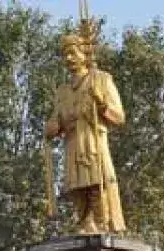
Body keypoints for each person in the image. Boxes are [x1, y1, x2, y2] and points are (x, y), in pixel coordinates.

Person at [43, 29, 127, 234]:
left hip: (93, 141)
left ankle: (101, 222)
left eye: (73, 53)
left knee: (97, 182)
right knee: (77, 187)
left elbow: (119, 117)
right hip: (73, 144)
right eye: (65, 55)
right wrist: (53, 127)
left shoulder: (101, 79)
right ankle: (84, 221)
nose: (69, 58)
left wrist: (101, 105)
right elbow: (55, 120)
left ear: (85, 53)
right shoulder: (62, 91)